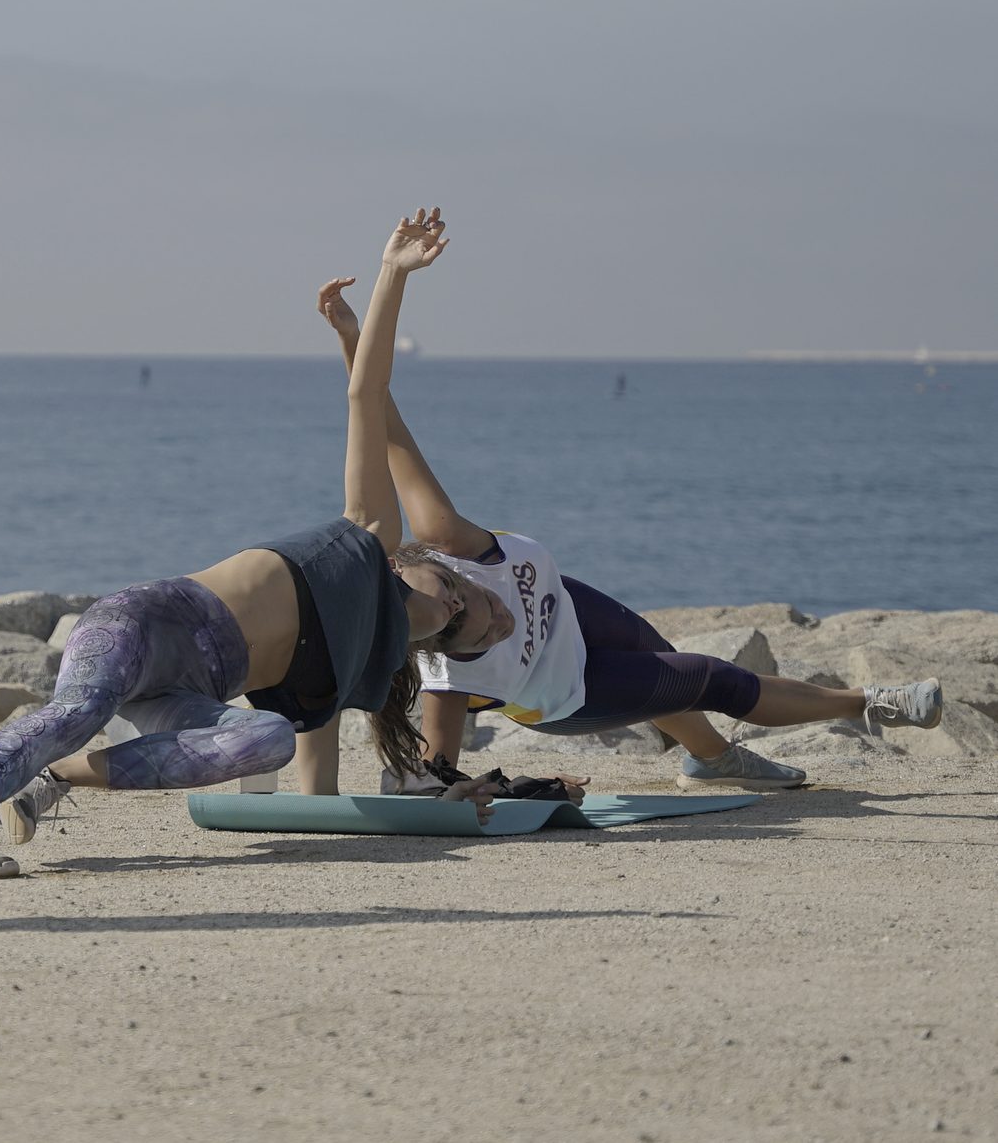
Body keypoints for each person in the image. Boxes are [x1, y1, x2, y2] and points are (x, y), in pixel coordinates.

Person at [0, 210, 495, 878]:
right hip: (149, 623)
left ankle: (59, 772)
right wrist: (390, 277)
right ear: (418, 564)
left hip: (186, 688)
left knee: (267, 739)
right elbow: (367, 394)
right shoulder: (369, 539)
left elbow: (317, 798)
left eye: (461, 629)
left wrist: (449, 798)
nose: (459, 611)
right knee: (83, 706)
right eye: (463, 593)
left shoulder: (355, 668)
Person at [297, 275, 944, 794]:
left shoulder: (448, 536)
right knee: (711, 676)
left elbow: (384, 423)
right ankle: (869, 702)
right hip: (569, 691)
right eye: (480, 632)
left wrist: (354, 337)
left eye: (470, 596)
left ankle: (713, 759)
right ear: (442, 645)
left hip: (568, 606)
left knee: (665, 666)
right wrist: (488, 785)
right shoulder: (446, 678)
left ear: (443, 566)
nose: (493, 616)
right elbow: (434, 779)